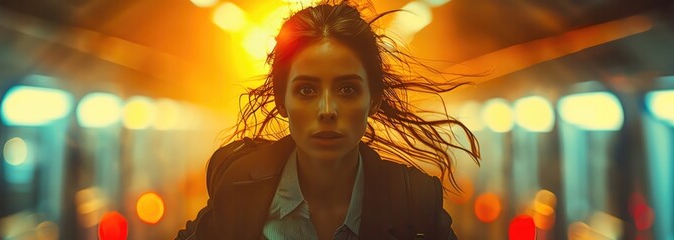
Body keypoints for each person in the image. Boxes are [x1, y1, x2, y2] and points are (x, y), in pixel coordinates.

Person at [176, 0, 480, 239]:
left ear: (373, 99)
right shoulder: (238, 188)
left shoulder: (415, 203)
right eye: (306, 89)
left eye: (347, 89)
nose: (326, 109)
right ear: (281, 101)